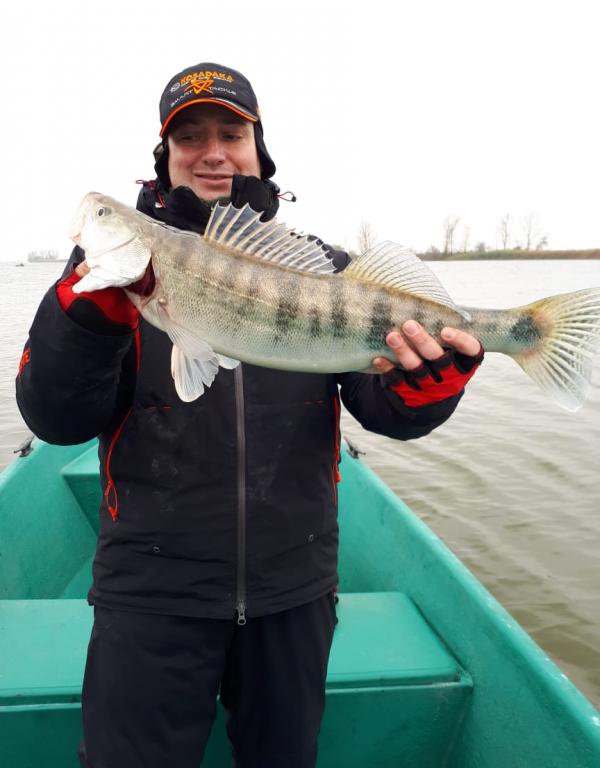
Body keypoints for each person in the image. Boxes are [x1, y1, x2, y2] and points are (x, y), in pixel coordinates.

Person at [16, 62, 483, 768]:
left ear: (259, 151)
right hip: (150, 591)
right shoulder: (107, 281)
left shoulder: (326, 267)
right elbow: (55, 418)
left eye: (231, 134)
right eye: (190, 137)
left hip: (293, 588)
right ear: (165, 159)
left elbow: (384, 409)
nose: (212, 152)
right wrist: (84, 323)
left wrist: (428, 387)